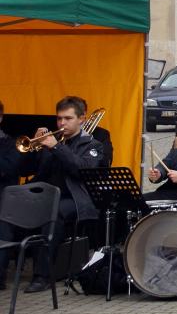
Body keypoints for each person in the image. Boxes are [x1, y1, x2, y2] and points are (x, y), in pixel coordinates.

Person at [3, 96, 105, 293]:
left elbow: (81, 170)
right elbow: (25, 170)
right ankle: (1, 273)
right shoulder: (51, 143)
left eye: (68, 119)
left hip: (75, 199)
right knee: (8, 210)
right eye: (59, 119)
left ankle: (42, 275)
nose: (62, 123)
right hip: (44, 196)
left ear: (81, 119)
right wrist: (33, 148)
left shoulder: (93, 145)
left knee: (52, 214)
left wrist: (56, 147)